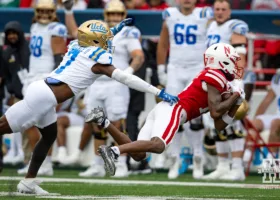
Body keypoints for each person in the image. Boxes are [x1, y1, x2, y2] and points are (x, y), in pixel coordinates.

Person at [0, 19, 177, 194]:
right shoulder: (98, 61)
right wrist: (157, 92)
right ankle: (29, 181)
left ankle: (28, 183)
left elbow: (95, 40)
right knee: (3, 127)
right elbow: (126, 78)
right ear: (95, 41)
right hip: (42, 98)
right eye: (105, 39)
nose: (108, 42)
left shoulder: (78, 45)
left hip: (44, 94)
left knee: (49, 135)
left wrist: (115, 30)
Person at [87, 43, 245, 177]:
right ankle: (113, 151)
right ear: (222, 61)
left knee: (138, 154)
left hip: (165, 109)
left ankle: (104, 121)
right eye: (232, 60)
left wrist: (236, 103)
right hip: (174, 109)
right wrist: (236, 94)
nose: (235, 64)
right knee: (158, 145)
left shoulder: (218, 80)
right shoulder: (215, 75)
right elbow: (215, 112)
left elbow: (219, 125)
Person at [62, 0, 145, 178]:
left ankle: (122, 163)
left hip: (116, 84)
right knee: (96, 124)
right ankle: (98, 164)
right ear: (106, 15)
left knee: (118, 124)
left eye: (118, 14)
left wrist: (128, 72)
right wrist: (68, 12)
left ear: (123, 16)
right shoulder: (97, 31)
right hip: (95, 83)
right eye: (112, 14)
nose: (115, 18)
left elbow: (138, 56)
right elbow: (73, 33)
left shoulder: (128, 32)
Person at [156, 0, 213, 179]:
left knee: (195, 116)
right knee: (174, 115)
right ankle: (175, 158)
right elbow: (163, 44)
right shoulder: (170, 15)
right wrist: (160, 68)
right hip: (175, 68)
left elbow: (213, 43)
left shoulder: (204, 15)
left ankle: (198, 157)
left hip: (197, 68)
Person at [202, 0, 254, 181]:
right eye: (217, 9)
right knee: (215, 122)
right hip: (216, 80)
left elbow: (240, 57)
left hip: (230, 81)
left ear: (230, 11)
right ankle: (223, 166)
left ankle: (237, 167)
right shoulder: (211, 26)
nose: (220, 12)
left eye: (224, 9)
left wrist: (238, 82)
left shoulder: (235, 26)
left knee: (233, 122)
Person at [17, 0, 68, 176]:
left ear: (54, 12)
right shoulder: (35, 27)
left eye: (48, 11)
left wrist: (56, 82)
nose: (45, 14)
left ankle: (44, 163)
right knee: (32, 123)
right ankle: (41, 162)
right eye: (41, 11)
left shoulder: (56, 28)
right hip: (32, 78)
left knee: (42, 124)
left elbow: (59, 58)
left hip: (45, 77)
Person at [1, 21, 30, 165]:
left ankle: (36, 161)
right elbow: (5, 74)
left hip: (33, 95)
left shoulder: (28, 49)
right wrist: (12, 90)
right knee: (21, 129)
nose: (12, 36)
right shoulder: (6, 52)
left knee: (34, 129)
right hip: (18, 97)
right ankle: (25, 159)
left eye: (14, 33)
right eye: (9, 34)